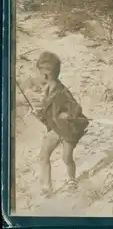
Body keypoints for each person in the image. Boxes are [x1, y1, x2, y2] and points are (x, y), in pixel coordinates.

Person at [29, 51, 89, 196]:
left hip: (68, 129)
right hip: (56, 129)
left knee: (66, 158)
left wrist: (68, 115)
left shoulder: (62, 90)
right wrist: (38, 114)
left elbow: (76, 107)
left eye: (39, 72)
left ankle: (71, 180)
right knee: (43, 156)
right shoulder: (48, 89)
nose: (38, 75)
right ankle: (47, 187)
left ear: (46, 74)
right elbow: (49, 114)